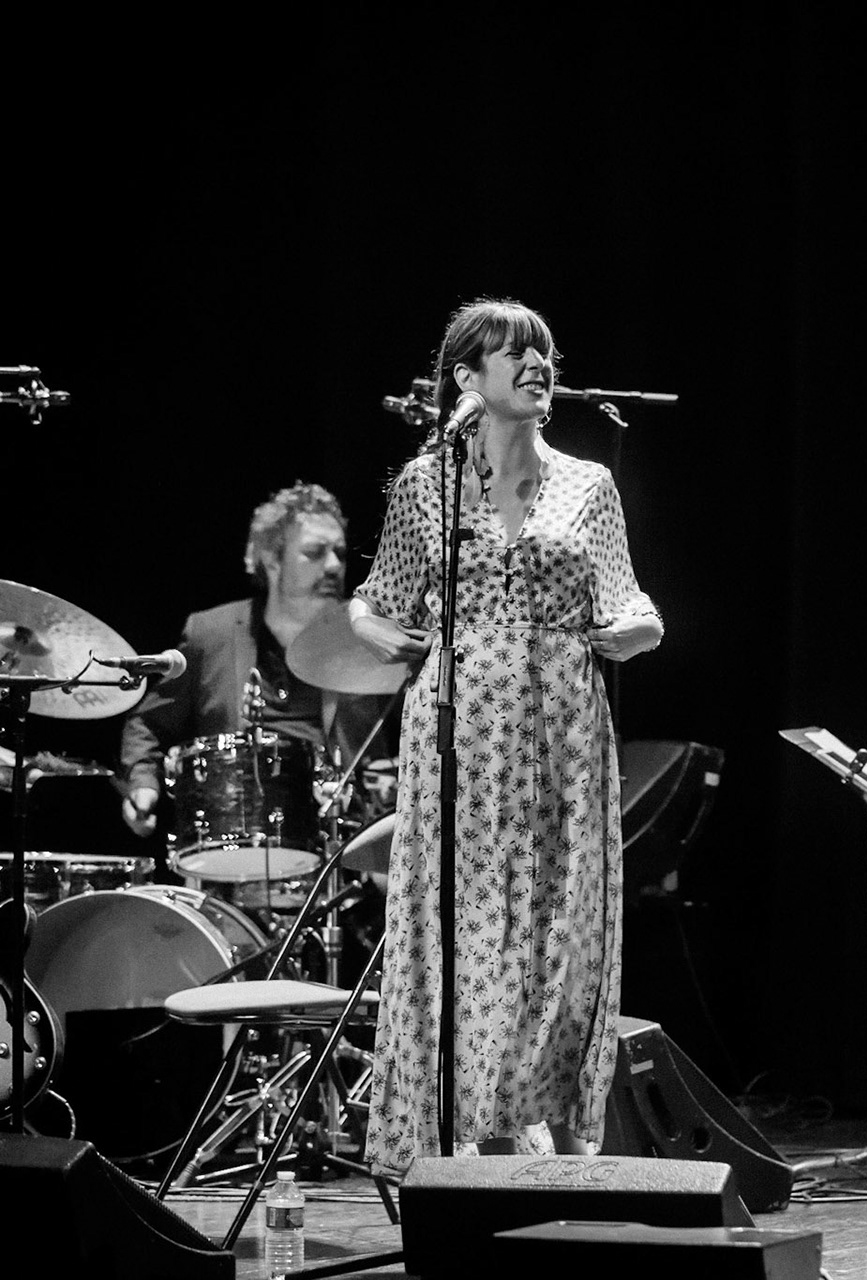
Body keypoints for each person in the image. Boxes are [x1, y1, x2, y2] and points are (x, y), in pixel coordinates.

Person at [347, 297, 663, 1176]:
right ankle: (471, 1133)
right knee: (469, 928)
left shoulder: (588, 486)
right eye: (514, 353)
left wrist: (642, 630)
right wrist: (378, 635)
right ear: (466, 379)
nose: (536, 365)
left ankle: (552, 1127)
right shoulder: (426, 487)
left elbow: (630, 600)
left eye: (544, 352)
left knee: (562, 924)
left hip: (564, 722)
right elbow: (375, 600)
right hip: (462, 723)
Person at [120, 481, 395, 863]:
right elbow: (148, 723)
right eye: (314, 553)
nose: (334, 565)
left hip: (336, 850)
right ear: (271, 559)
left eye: (339, 552)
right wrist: (143, 784)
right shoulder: (211, 634)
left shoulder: (365, 638)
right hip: (232, 842)